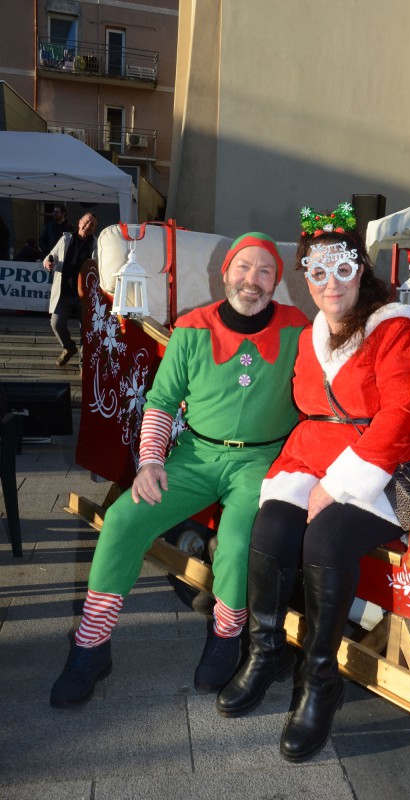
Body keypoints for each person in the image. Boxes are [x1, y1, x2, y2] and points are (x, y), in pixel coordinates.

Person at [217, 203, 410, 762]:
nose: (330, 283)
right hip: (314, 457)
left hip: (385, 465)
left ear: (360, 270)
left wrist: (341, 484)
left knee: (325, 538)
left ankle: (319, 681)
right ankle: (265, 651)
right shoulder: (312, 333)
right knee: (271, 526)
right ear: (307, 277)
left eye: (342, 269)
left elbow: (405, 410)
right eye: (317, 272)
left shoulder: (394, 327)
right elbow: (305, 405)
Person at [50, 231, 309, 708]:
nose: (253, 280)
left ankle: (226, 635)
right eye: (244, 267)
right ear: (225, 272)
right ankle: (91, 643)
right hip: (195, 455)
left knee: (236, 541)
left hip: (261, 461)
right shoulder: (192, 327)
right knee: (123, 519)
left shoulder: (299, 328)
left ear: (276, 281)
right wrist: (150, 461)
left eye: (265, 271)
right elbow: (162, 401)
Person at [43, 212, 98, 366]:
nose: (88, 226)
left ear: (95, 229)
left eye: (92, 224)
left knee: (86, 330)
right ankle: (68, 347)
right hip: (64, 292)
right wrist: (47, 263)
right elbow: (51, 255)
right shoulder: (65, 239)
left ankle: (83, 365)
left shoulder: (97, 244)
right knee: (56, 324)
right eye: (86, 222)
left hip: (85, 295)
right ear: (79, 222)